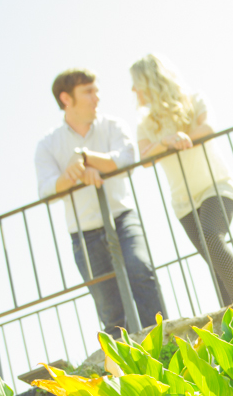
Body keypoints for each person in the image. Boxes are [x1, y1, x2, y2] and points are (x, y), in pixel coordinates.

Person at [35, 68, 164, 338]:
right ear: (66, 99)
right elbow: (47, 191)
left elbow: (126, 161)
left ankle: (165, 342)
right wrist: (74, 175)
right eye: (89, 92)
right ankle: (126, 368)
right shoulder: (48, 144)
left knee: (140, 271)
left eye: (96, 90)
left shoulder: (112, 126)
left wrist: (84, 157)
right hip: (84, 234)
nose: (97, 98)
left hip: (122, 217)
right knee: (110, 307)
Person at [130, 54, 233, 306]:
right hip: (183, 202)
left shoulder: (194, 100)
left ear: (150, 81)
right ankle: (232, 320)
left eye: (136, 83)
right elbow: (146, 159)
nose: (132, 90)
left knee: (211, 236)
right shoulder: (145, 125)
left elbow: (208, 129)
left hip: (216, 186)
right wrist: (165, 141)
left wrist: (183, 137)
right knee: (213, 261)